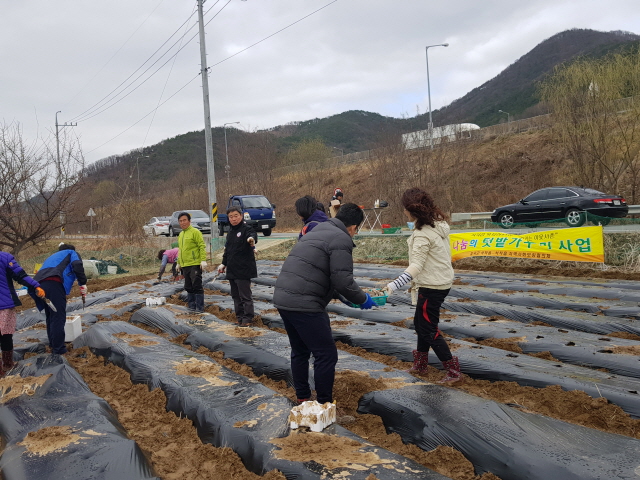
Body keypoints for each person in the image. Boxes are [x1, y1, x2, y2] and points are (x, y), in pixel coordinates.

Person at [273, 203, 376, 409]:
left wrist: (344, 297)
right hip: (305, 303)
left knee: (300, 351)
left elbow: (321, 273)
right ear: (353, 227)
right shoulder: (341, 239)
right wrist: (362, 298)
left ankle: (303, 397)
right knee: (326, 354)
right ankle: (323, 404)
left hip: (284, 298)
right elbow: (343, 281)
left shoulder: (319, 229)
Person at [383, 188, 460, 383]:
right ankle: (421, 364)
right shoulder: (438, 225)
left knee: (428, 328)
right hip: (441, 281)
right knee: (420, 323)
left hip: (431, 286)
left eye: (405, 209)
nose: (403, 212)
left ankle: (452, 370)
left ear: (412, 210)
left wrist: (393, 285)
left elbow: (416, 266)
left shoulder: (422, 234)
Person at [33, 244, 87, 355]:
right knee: (58, 316)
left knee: (51, 315)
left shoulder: (53, 257)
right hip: (54, 283)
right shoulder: (71, 253)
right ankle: (59, 349)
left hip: (40, 285)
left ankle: (53, 345)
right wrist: (83, 282)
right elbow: (77, 265)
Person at [0, 252, 45, 375]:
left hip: (4, 303)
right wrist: (35, 286)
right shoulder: (4, 258)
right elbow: (20, 275)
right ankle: (7, 365)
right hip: (4, 305)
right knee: (6, 334)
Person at [217, 207, 258, 327]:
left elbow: (252, 236)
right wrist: (223, 263)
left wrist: (251, 240)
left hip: (243, 268)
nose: (233, 219)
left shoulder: (247, 229)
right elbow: (228, 250)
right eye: (231, 217)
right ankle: (239, 317)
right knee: (235, 296)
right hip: (232, 269)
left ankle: (248, 318)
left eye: (236, 216)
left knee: (245, 296)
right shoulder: (230, 232)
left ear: (241, 216)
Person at [177, 212, 207, 313]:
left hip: (194, 263)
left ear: (189, 221)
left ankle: (199, 309)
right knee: (188, 287)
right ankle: (191, 307)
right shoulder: (181, 234)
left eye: (184, 220)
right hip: (185, 265)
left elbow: (201, 246)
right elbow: (180, 250)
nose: (183, 223)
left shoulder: (195, 232)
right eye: (180, 221)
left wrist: (203, 260)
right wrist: (178, 262)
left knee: (196, 285)